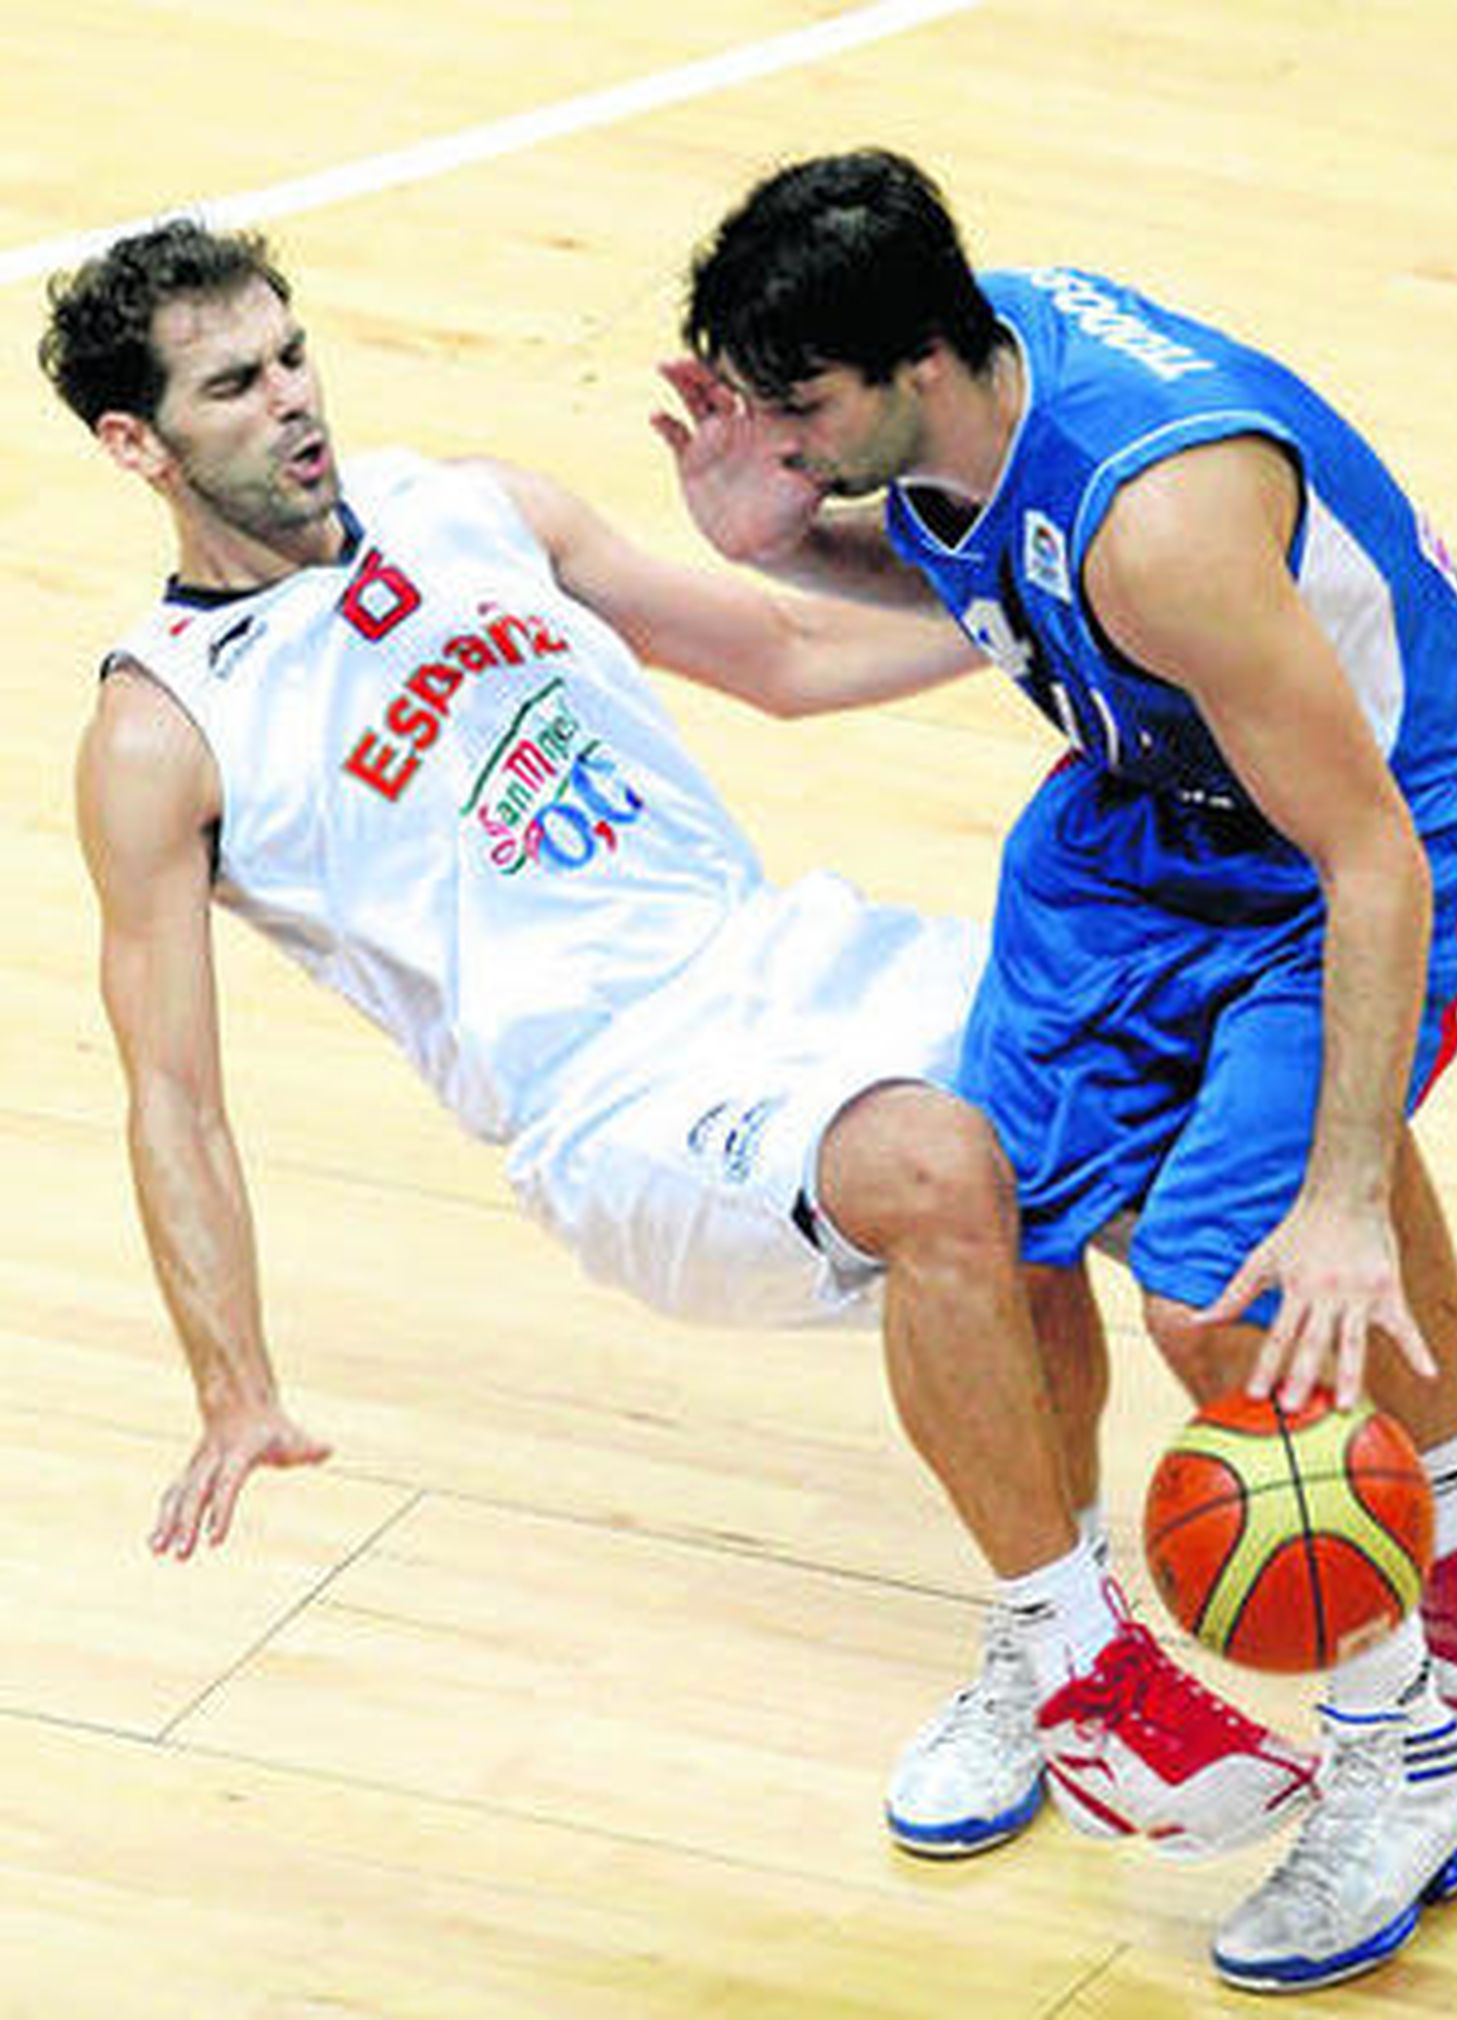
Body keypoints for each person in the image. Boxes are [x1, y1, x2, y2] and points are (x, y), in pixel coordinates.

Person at [40, 221, 1322, 1883]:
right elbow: (172, 1093)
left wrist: (1092, 595)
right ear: (135, 444)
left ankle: (1398, 1561)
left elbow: (782, 658)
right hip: (617, 1103)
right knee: (945, 1166)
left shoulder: (467, 507)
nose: (291, 399)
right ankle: (1087, 1673)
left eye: (292, 356)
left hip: (783, 960)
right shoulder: (162, 729)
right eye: (232, 385)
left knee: (1178, 1065)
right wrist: (234, 1386)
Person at [657, 147, 1457, 1990]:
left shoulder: (1159, 517)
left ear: (923, 360)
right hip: (1148, 806)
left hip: (1377, 821)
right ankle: (1074, 1649)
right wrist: (787, 541)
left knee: (1224, 1293)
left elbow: (1369, 863)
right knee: (979, 1213)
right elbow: (982, 580)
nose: (771, 438)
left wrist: (1343, 1194)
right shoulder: (958, 399)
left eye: (798, 407)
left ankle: (1410, 1767)